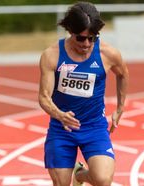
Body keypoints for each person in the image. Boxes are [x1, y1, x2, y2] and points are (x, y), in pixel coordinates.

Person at [38, 2, 129, 186]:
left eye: (92, 38)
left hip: (94, 126)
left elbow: (123, 74)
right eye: (81, 38)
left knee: (102, 180)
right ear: (71, 32)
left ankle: (80, 175)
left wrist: (120, 108)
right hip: (62, 129)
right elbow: (43, 97)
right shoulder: (52, 55)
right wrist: (60, 115)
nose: (87, 44)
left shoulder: (107, 54)